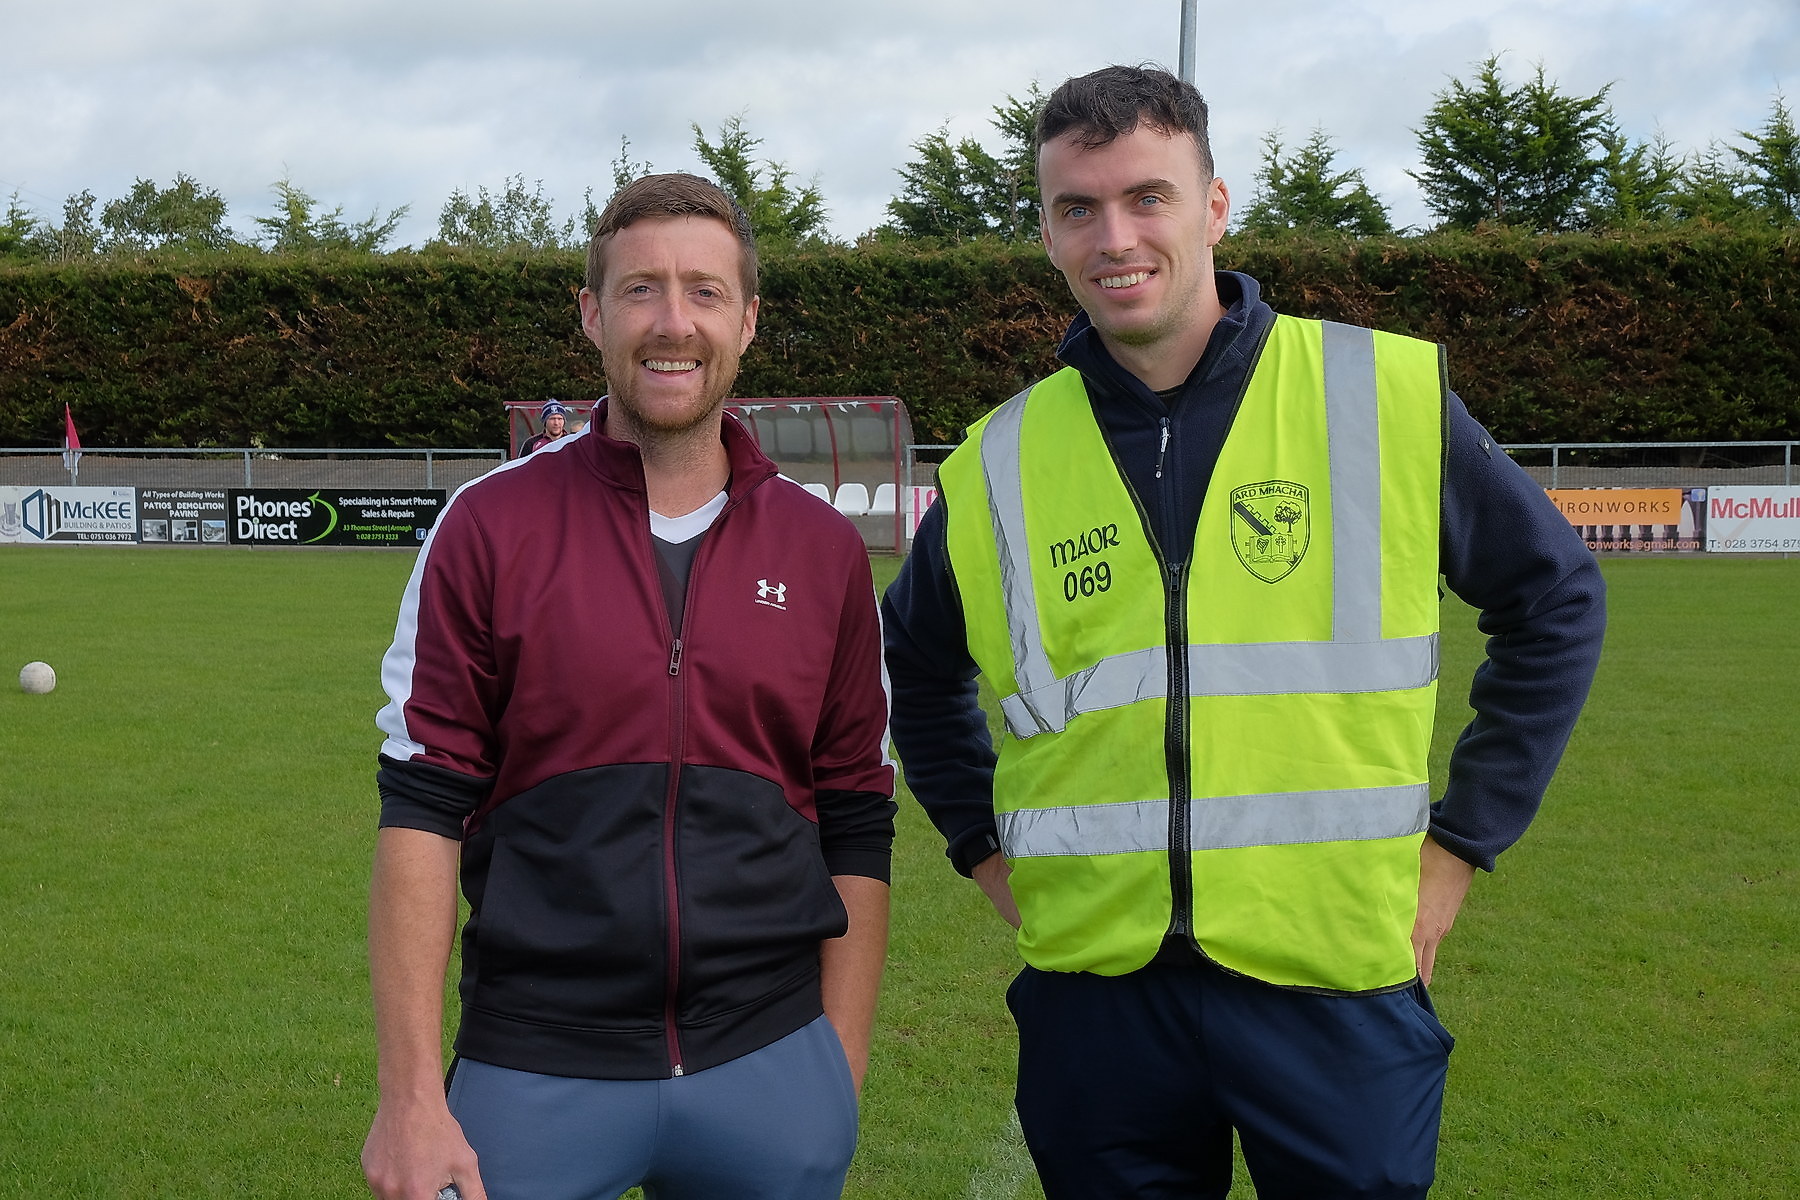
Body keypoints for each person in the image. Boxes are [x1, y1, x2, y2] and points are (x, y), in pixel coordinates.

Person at [882, 65, 1606, 1199]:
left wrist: (1462, 844)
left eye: (1147, 197)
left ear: (1214, 206)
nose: (1114, 236)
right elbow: (914, 670)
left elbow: (1556, 600)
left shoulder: (1378, 395)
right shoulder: (998, 460)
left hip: (1331, 982)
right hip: (1097, 998)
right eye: (1078, 208)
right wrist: (980, 846)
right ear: (1047, 232)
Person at [363, 172, 896, 1200]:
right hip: (535, 1062)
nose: (672, 321)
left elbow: (858, 816)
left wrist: (839, 1063)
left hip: (771, 1062)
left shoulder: (822, 549)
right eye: (642, 288)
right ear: (592, 314)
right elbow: (422, 809)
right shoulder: (488, 527)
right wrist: (411, 1097)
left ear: (746, 321)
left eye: (703, 291)